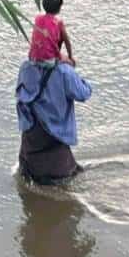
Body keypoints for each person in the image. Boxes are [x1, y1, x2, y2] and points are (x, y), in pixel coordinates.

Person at [16, 53, 92, 185]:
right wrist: (71, 68)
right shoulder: (64, 71)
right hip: (55, 139)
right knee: (63, 184)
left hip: (31, 138)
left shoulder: (26, 68)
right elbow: (84, 93)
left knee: (26, 180)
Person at [28, 0, 75, 67]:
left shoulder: (37, 19)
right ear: (59, 8)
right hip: (49, 61)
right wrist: (70, 57)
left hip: (33, 58)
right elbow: (67, 42)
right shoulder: (58, 22)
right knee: (71, 63)